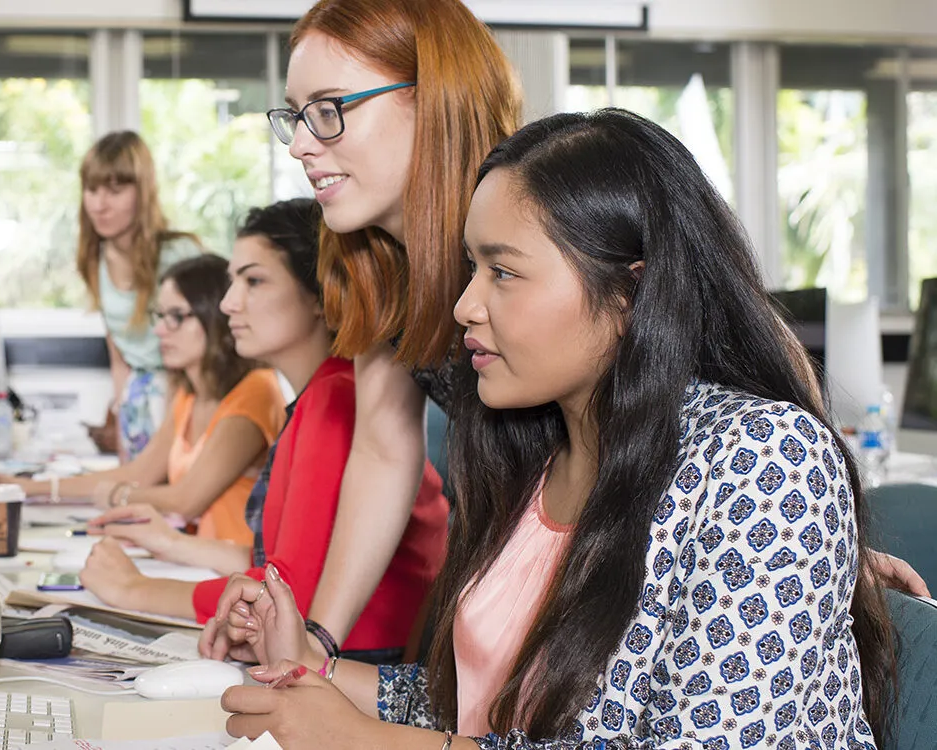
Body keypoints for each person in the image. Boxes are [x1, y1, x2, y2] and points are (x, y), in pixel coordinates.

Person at [219, 109, 897, 750]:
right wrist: (316, 668)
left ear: (629, 295)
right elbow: (478, 712)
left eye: (503, 272)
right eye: (470, 269)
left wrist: (367, 742)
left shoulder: (760, 457)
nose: (464, 305)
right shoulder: (537, 457)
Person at [200, 0, 521, 664]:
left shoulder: (530, 242)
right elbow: (383, 448)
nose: (298, 144)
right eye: (295, 115)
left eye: (330, 109)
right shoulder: (384, 261)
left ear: (432, 101)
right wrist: (317, 640)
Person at [79, 200, 449, 662]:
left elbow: (283, 590)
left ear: (321, 295)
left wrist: (135, 589)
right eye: (233, 281)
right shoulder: (323, 391)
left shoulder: (338, 398)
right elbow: (292, 556)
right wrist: (173, 544)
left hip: (359, 663)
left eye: (253, 281)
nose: (228, 302)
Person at [0, 255, 284, 545]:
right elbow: (139, 473)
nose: (159, 330)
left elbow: (185, 501)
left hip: (234, 576)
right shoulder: (189, 396)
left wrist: (116, 495)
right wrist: (28, 487)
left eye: (177, 317)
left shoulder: (256, 391)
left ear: (216, 317)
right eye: (160, 315)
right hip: (197, 562)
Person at [76, 131, 204, 460]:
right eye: (92, 190)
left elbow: (203, 357)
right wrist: (124, 451)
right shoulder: (95, 258)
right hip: (137, 400)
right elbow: (119, 360)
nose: (99, 204)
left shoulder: (179, 254)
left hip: (184, 396)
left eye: (115, 190)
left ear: (141, 193)